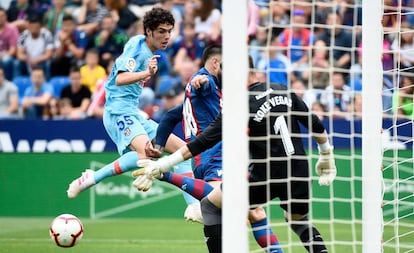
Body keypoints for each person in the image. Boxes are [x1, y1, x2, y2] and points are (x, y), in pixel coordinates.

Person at [133, 56, 337, 253]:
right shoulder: (284, 90)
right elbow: (315, 123)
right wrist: (326, 155)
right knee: (298, 222)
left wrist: (164, 165)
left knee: (210, 206)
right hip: (299, 172)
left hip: (264, 176)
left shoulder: (239, 104)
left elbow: (203, 141)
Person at [138, 48, 283, 253]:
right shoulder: (206, 81)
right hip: (214, 154)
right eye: (226, 66)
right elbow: (202, 84)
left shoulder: (210, 95)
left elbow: (171, 116)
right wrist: (201, 82)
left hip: (205, 157)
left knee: (253, 212)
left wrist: (159, 145)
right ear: (216, 64)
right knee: (231, 204)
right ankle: (166, 176)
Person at [66, 7, 202, 223]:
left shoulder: (148, 48)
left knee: (182, 151)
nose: (166, 36)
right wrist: (147, 73)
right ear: (148, 31)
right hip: (118, 112)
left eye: (169, 31)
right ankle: (93, 178)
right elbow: (119, 79)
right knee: (146, 154)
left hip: (134, 112)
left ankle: (193, 207)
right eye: (161, 31)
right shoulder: (137, 49)